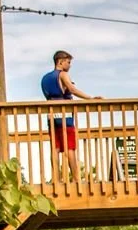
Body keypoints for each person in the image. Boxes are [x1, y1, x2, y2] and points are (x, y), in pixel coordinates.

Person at [40, 51, 100, 180]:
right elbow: (72, 90)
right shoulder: (63, 74)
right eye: (68, 62)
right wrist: (90, 98)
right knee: (70, 148)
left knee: (55, 148)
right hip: (64, 114)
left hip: (51, 114)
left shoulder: (45, 78)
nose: (70, 65)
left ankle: (56, 179)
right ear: (60, 61)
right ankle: (77, 179)